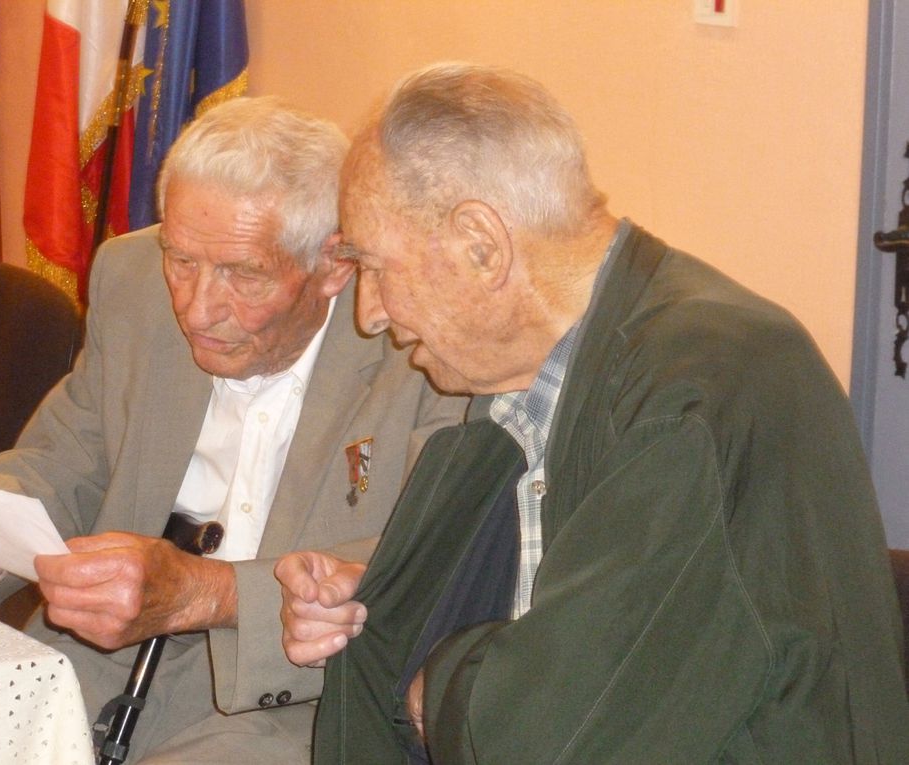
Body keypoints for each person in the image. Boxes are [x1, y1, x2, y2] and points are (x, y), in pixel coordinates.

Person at [276, 63, 909, 763]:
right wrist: (395, 598)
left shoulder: (704, 388)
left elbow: (550, 737)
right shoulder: (532, 376)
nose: (370, 314)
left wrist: (439, 678)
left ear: (481, 246)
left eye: (374, 268)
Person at [0, 96, 467, 764]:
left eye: (243, 274)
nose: (197, 307)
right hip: (105, 662)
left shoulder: (421, 339)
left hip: (299, 705)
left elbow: (431, 564)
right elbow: (68, 451)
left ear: (333, 263)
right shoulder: (131, 276)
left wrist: (207, 593)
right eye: (183, 261)